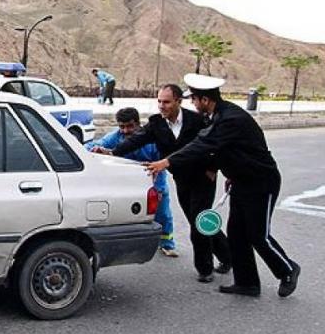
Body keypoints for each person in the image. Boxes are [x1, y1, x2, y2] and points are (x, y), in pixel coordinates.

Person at [145, 74, 300, 297]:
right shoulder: (218, 115)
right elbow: (225, 150)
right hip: (240, 180)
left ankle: (288, 270)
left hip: (260, 181)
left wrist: (166, 162)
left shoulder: (230, 119)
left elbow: (204, 144)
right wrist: (229, 172)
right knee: (237, 234)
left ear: (205, 100)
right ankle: (247, 283)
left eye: (194, 100)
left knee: (258, 234)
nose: (193, 104)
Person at [96, 84, 231, 283]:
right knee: (199, 220)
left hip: (203, 178)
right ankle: (227, 256)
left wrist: (214, 167)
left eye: (166, 102)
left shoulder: (197, 120)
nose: (162, 106)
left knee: (197, 221)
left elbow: (215, 144)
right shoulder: (157, 124)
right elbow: (136, 140)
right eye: (159, 101)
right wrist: (112, 153)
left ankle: (205, 269)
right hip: (182, 178)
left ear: (178, 101)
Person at [86, 108, 178, 256]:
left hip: (153, 181)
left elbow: (161, 166)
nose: (125, 130)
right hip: (127, 185)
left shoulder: (152, 139)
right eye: (122, 127)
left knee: (163, 214)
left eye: (129, 126)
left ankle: (167, 243)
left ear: (138, 124)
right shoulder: (115, 137)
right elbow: (93, 146)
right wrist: (94, 150)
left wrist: (158, 190)